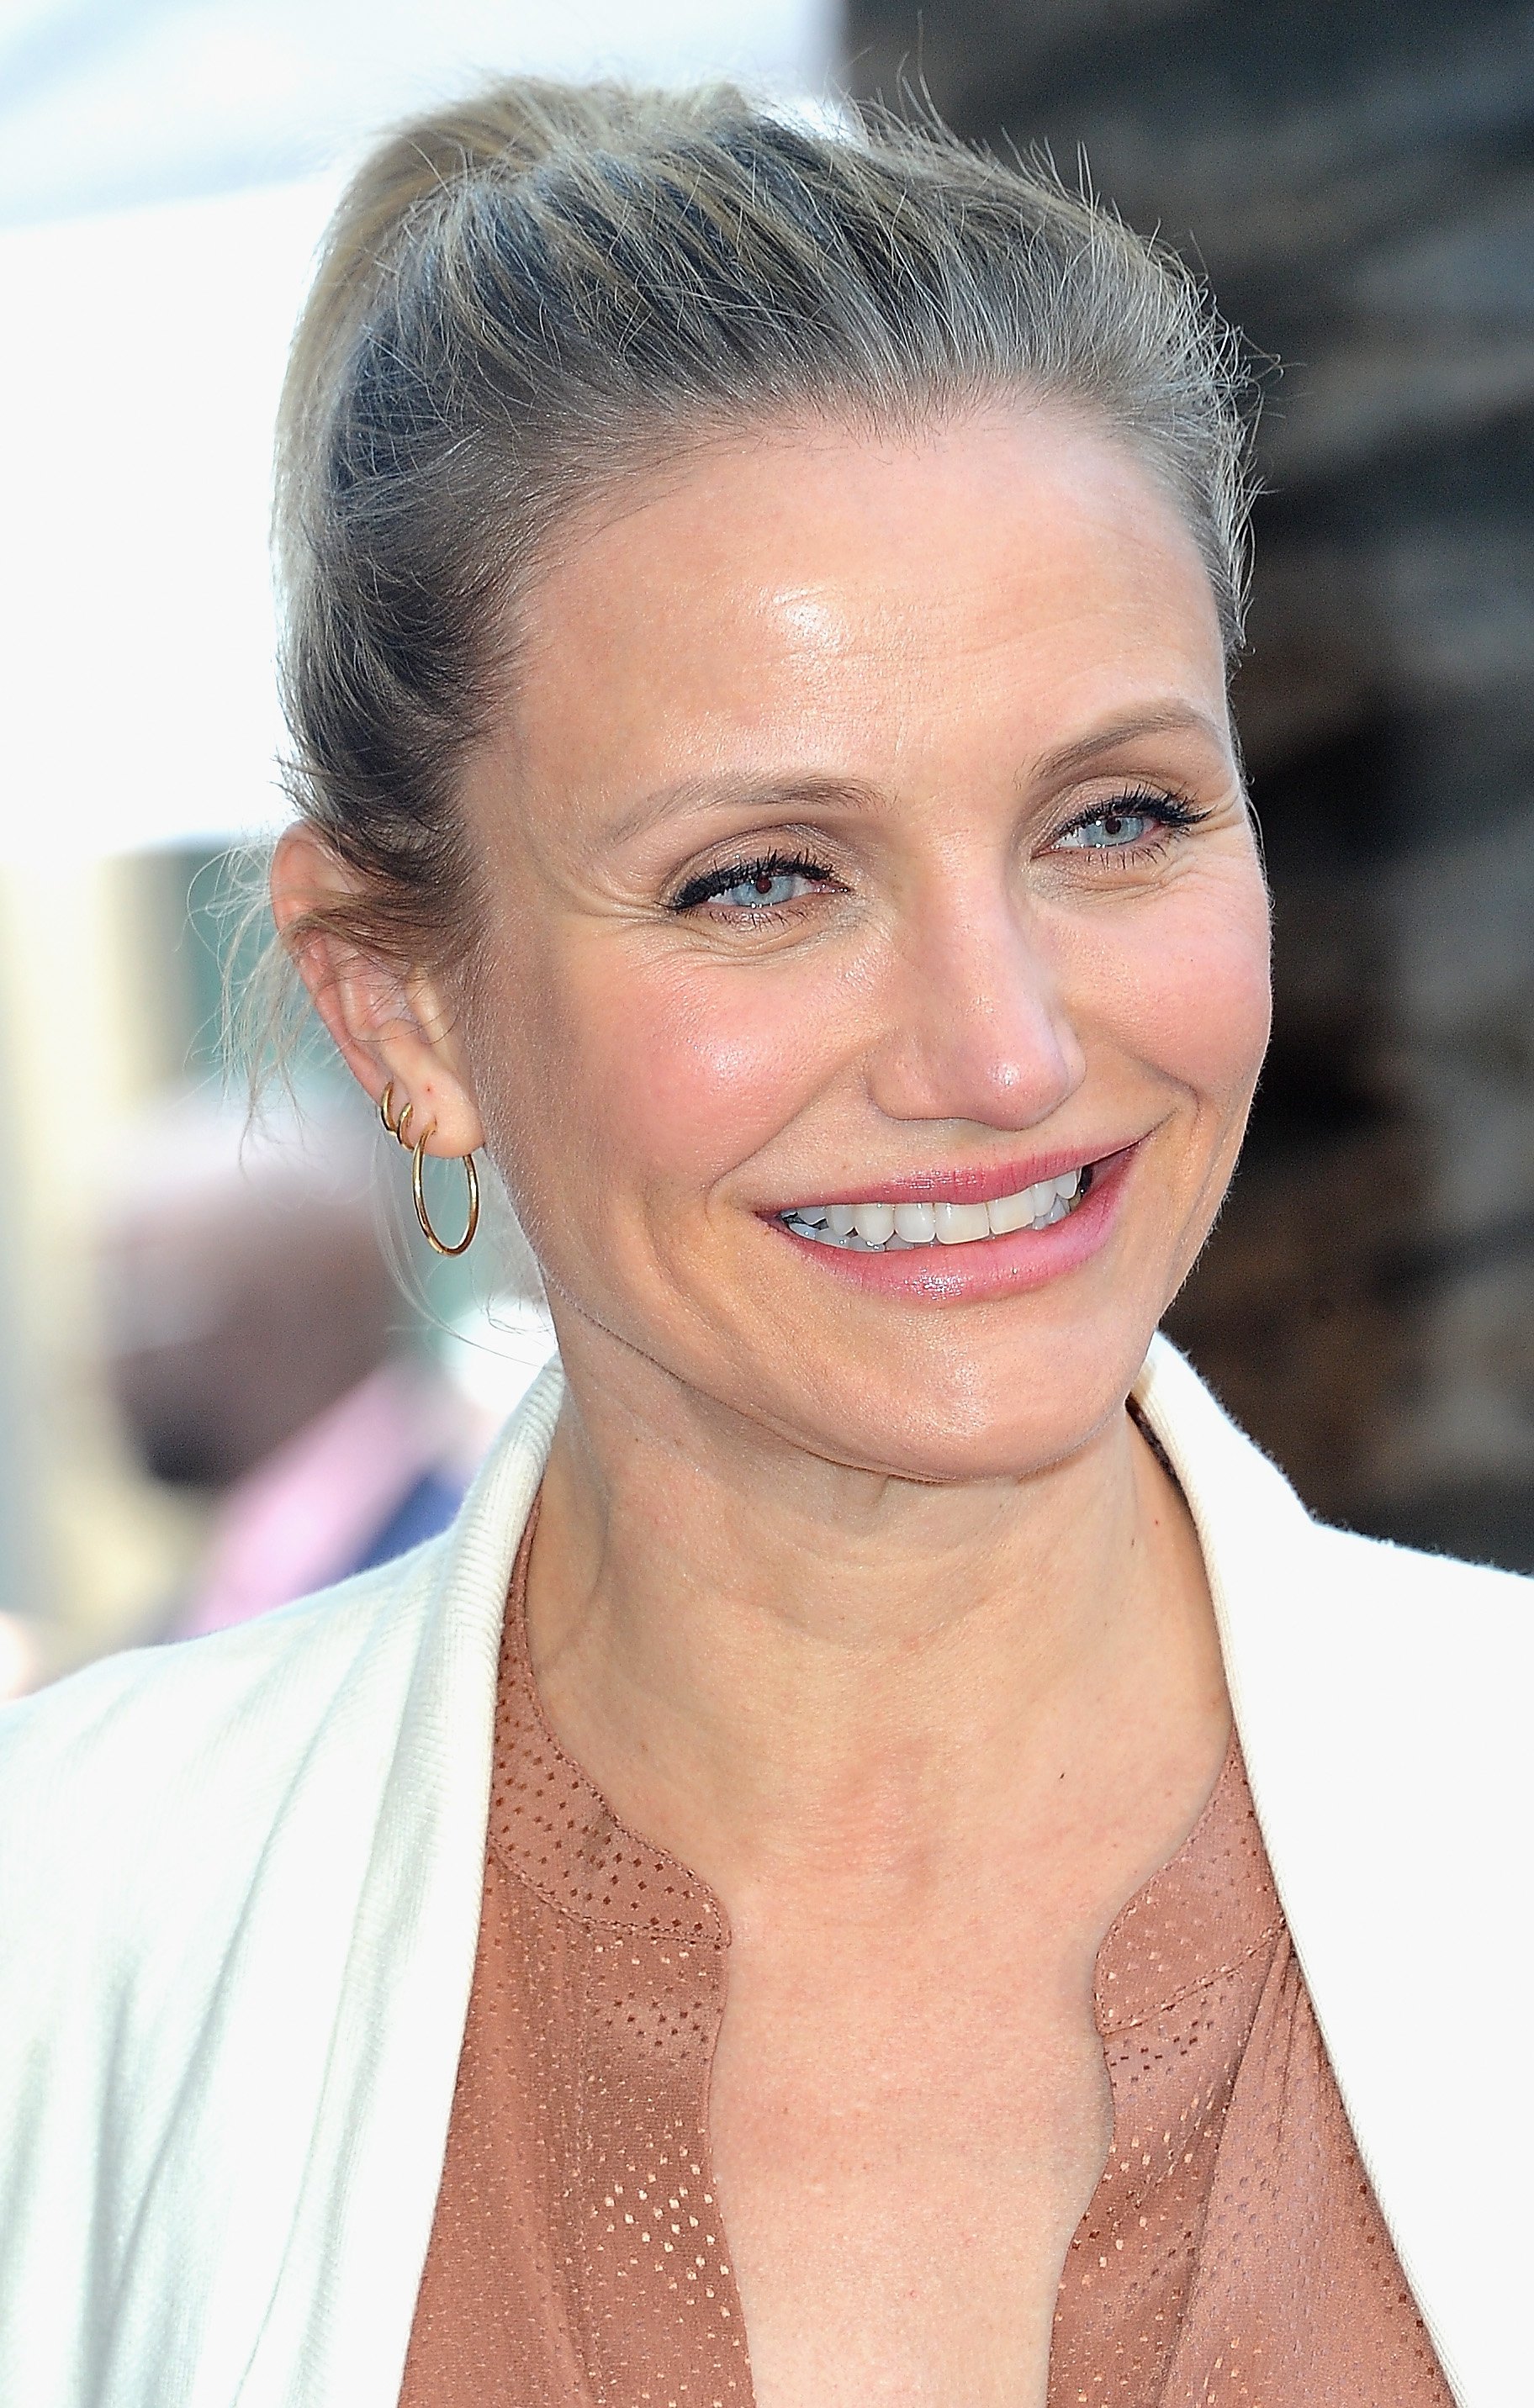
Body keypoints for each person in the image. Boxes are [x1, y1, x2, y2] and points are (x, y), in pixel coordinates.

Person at [0, 81, 1524, 2408]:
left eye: (1115, 817)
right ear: (402, 1009)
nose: (1005, 1054)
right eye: (763, 879)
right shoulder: (68, 1937)